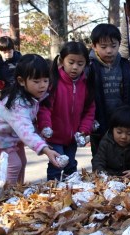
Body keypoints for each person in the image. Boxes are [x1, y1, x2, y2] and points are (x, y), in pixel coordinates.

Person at [0, 54, 61, 187]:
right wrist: (45, 149)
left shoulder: (31, 96)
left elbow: (27, 124)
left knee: (22, 161)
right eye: (36, 81)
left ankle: (18, 189)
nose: (42, 86)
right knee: (14, 163)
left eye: (45, 80)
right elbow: (25, 131)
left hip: (11, 132)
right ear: (21, 81)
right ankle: (8, 195)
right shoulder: (18, 104)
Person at [38, 42, 95, 181]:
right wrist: (45, 126)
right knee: (56, 164)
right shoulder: (54, 82)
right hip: (55, 135)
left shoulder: (85, 84)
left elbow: (89, 110)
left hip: (72, 137)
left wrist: (83, 131)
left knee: (71, 165)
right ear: (62, 60)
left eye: (80, 63)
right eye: (71, 62)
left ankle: (70, 192)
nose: (75, 67)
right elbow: (45, 108)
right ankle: (52, 192)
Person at [88, 23, 130, 156]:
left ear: (119, 44)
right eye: (103, 47)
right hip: (99, 122)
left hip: (123, 122)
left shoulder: (124, 65)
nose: (109, 51)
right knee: (100, 157)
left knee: (123, 157)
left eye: (113, 46)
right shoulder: (90, 67)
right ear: (94, 46)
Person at [92, 105, 130, 178]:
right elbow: (98, 162)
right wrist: (103, 175)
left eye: (129, 133)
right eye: (119, 132)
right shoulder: (106, 142)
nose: (124, 137)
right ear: (112, 129)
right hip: (109, 180)